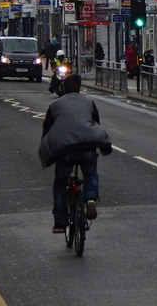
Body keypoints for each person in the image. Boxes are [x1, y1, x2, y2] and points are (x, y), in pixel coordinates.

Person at [39, 74, 112, 230]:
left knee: (60, 182)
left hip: (64, 150)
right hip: (87, 146)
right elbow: (96, 124)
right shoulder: (89, 102)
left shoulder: (55, 105)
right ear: (80, 88)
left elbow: (47, 130)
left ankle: (60, 221)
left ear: (63, 88)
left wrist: (45, 151)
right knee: (90, 173)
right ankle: (90, 198)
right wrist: (105, 147)